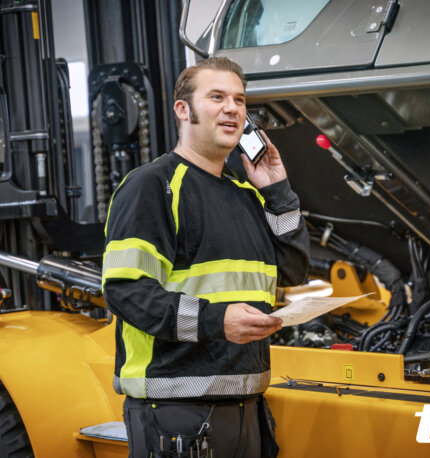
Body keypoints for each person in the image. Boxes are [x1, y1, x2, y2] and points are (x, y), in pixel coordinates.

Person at [102, 57, 309, 457]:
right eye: (217, 97)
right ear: (184, 109)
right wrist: (217, 320)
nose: (232, 108)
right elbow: (127, 292)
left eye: (240, 99)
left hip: (248, 409)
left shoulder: (248, 193)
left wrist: (278, 191)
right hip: (176, 413)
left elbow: (294, 269)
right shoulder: (152, 186)